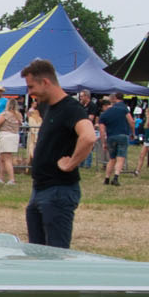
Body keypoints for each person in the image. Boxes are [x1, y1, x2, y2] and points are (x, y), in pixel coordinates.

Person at [21, 59, 95, 249]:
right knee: (37, 252)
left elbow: (88, 137)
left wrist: (71, 163)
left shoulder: (71, 108)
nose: (30, 93)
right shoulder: (48, 107)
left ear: (46, 82)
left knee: (55, 254)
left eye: (31, 87)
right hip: (40, 190)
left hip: (58, 191)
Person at [97, 92, 133, 186]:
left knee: (112, 158)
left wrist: (103, 142)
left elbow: (101, 130)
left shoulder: (105, 114)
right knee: (120, 157)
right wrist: (133, 133)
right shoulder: (124, 109)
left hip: (111, 136)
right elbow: (131, 121)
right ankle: (116, 177)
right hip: (122, 135)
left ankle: (107, 178)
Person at [0, 98, 22, 185]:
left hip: (5, 136)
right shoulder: (18, 115)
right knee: (3, 158)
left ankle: (11, 179)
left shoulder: (5, 114)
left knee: (7, 159)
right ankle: (1, 177)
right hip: (14, 136)